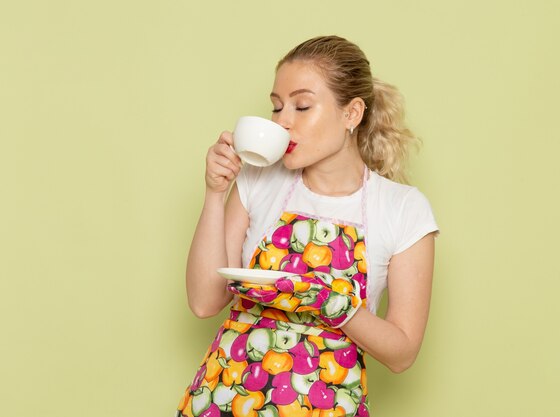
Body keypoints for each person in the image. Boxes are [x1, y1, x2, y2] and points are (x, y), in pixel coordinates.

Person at [176, 35, 439, 417]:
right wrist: (215, 193)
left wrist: (330, 304)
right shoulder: (257, 180)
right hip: (223, 401)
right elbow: (204, 302)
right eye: (277, 107)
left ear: (351, 114)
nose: (283, 122)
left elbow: (402, 352)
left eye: (301, 106)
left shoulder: (402, 209)